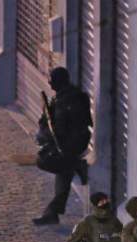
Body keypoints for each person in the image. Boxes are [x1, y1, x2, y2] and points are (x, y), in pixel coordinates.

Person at [33, 67, 93, 226]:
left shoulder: (74, 99)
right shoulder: (58, 99)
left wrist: (67, 145)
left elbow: (78, 125)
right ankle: (52, 213)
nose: (50, 84)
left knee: (53, 163)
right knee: (63, 170)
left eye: (52, 81)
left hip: (74, 144)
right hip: (64, 144)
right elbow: (48, 122)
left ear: (60, 81)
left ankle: (52, 213)